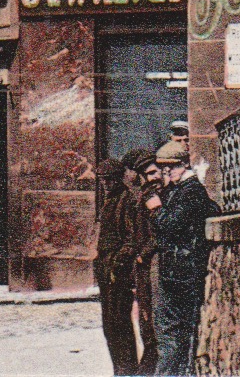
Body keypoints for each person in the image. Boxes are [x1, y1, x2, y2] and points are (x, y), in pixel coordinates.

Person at [144, 141, 217, 375]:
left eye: (171, 169)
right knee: (175, 333)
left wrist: (156, 209)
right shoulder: (181, 190)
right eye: (164, 169)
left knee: (175, 334)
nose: (167, 174)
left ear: (184, 165)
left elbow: (170, 225)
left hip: (183, 273)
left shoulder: (191, 191)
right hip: (177, 270)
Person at [94, 154, 142, 375]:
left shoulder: (127, 200)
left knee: (119, 323)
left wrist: (117, 263)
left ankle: (126, 369)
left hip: (117, 270)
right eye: (102, 180)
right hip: (106, 266)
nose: (105, 184)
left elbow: (132, 239)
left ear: (118, 178)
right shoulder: (110, 200)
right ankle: (119, 368)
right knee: (110, 324)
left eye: (109, 179)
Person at [127, 149, 161, 375]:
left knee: (154, 312)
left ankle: (152, 366)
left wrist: (144, 252)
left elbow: (161, 228)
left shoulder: (153, 196)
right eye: (147, 174)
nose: (153, 177)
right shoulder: (143, 194)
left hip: (153, 261)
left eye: (154, 172)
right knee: (145, 312)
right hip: (142, 264)